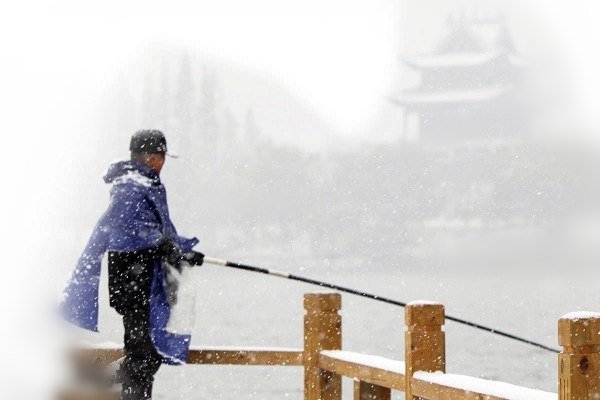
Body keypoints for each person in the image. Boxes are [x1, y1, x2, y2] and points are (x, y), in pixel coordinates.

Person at [61, 129, 204, 400]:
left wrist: (184, 250)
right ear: (151, 157)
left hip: (140, 279)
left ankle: (109, 380)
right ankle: (116, 385)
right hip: (133, 280)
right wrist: (164, 245)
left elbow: (156, 230)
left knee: (146, 352)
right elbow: (131, 226)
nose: (163, 163)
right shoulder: (130, 185)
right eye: (161, 157)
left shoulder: (143, 183)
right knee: (144, 352)